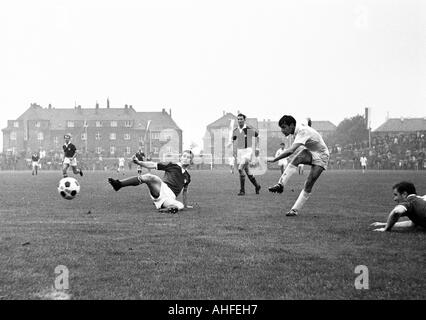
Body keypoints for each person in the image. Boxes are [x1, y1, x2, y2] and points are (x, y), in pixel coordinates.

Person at [267, 115, 329, 216]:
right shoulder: (300, 125)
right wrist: (310, 125)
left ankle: (294, 210)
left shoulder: (302, 132)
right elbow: (308, 118)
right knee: (298, 158)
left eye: (284, 127)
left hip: (322, 155)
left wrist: (275, 159)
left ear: (291, 125)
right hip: (311, 151)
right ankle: (280, 185)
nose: (282, 130)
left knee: (309, 183)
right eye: (281, 128)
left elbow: (291, 150)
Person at [108, 150, 194, 214]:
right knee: (150, 177)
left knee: (180, 206)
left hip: (170, 197)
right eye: (184, 156)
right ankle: (119, 184)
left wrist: (186, 205)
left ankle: (166, 209)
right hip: (161, 188)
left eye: (189, 158)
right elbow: (153, 165)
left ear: (191, 161)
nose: (186, 158)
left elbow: (185, 192)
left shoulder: (187, 177)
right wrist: (139, 162)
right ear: (181, 157)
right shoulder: (172, 165)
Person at [231, 113, 261, 196]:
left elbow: (258, 136)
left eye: (241, 119)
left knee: (240, 169)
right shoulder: (236, 130)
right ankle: (257, 186)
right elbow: (233, 140)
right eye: (238, 119)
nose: (240, 120)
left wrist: (257, 148)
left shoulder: (248, 129)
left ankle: (242, 191)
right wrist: (233, 151)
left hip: (248, 151)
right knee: (248, 172)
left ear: (244, 120)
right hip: (240, 152)